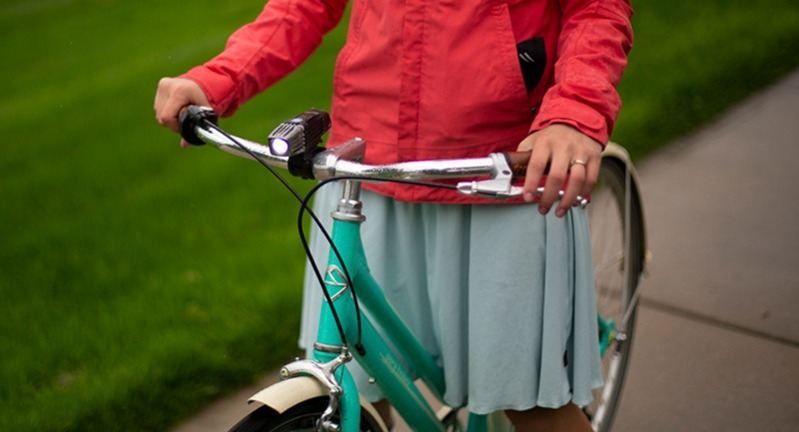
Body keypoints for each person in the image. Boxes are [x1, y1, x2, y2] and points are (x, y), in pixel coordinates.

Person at [154, 1, 633, 430]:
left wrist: (575, 110)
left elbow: (596, 9)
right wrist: (218, 78)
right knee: (356, 386)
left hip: (501, 172)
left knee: (531, 407)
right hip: (367, 171)